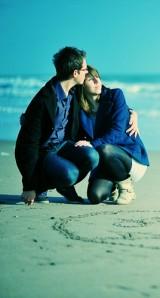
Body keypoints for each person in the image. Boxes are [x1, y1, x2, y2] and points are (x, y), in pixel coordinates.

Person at [15, 47, 99, 205]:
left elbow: (102, 92)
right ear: (75, 73)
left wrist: (131, 112)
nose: (86, 72)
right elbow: (28, 144)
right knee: (70, 175)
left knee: (92, 156)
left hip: (63, 146)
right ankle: (40, 186)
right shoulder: (44, 100)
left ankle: (64, 186)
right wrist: (29, 185)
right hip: (43, 153)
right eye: (84, 69)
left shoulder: (73, 92)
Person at [76, 65, 150, 205]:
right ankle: (114, 185)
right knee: (95, 197)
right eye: (91, 80)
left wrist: (91, 145)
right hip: (105, 162)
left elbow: (116, 132)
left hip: (129, 159)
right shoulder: (80, 109)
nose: (98, 82)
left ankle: (127, 188)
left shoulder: (115, 95)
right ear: (82, 84)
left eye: (98, 77)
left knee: (105, 149)